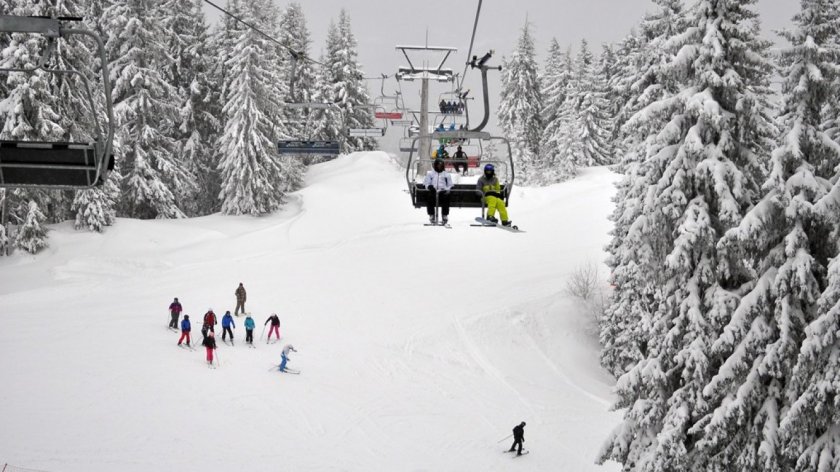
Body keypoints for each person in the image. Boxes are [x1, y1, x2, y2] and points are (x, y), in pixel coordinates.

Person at [423, 157, 453, 225]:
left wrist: (447, 190)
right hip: (433, 192)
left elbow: (450, 185)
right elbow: (426, 183)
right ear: (435, 165)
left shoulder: (446, 174)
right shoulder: (430, 174)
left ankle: (444, 215)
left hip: (442, 192)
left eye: (441, 165)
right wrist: (429, 187)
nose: (439, 166)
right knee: (430, 197)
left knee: (446, 198)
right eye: (438, 165)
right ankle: (432, 215)